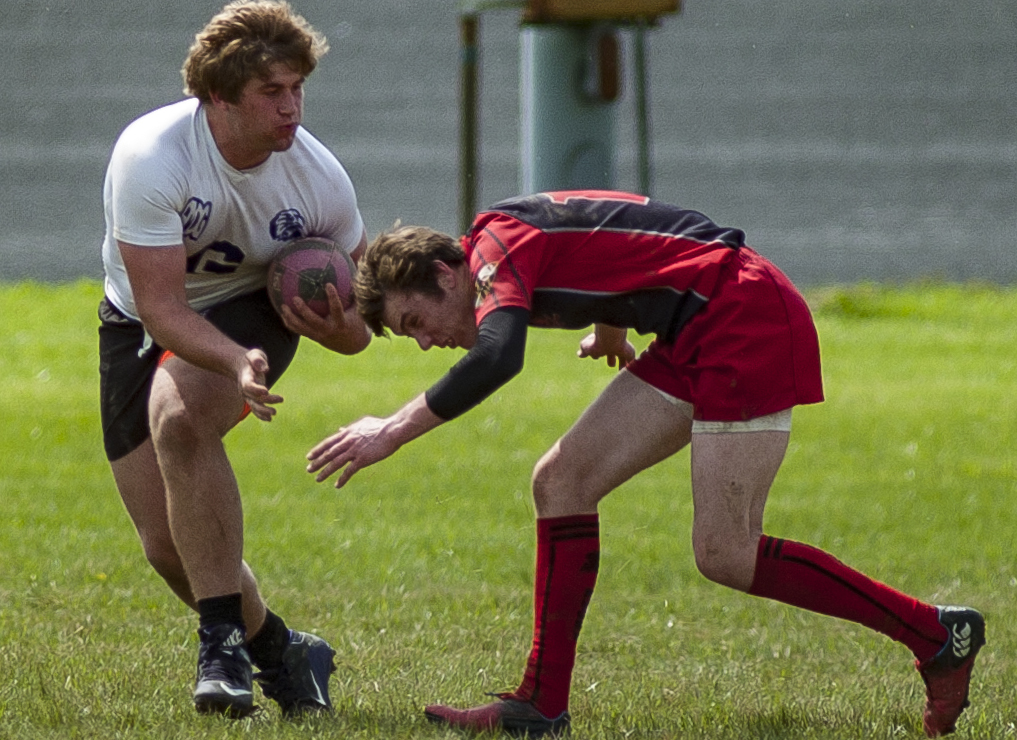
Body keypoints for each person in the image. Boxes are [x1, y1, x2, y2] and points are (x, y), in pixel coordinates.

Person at [306, 190, 984, 738]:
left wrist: (390, 430)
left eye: (414, 321)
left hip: (742, 318)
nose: (425, 343)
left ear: (445, 274)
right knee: (560, 480)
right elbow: (621, 226)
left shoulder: (493, 252)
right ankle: (539, 705)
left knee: (723, 551)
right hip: (697, 324)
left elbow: (497, 355)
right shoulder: (503, 244)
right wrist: (611, 318)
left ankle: (935, 633)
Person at [97, 0, 371, 718]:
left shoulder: (319, 182)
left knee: (182, 417)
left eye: (297, 89)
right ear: (218, 97)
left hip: (254, 305)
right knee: (166, 547)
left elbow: (358, 334)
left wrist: (325, 325)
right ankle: (284, 652)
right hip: (139, 320)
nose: (292, 110)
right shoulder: (153, 156)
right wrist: (233, 361)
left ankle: (219, 646)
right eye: (271, 93)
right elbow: (161, 311)